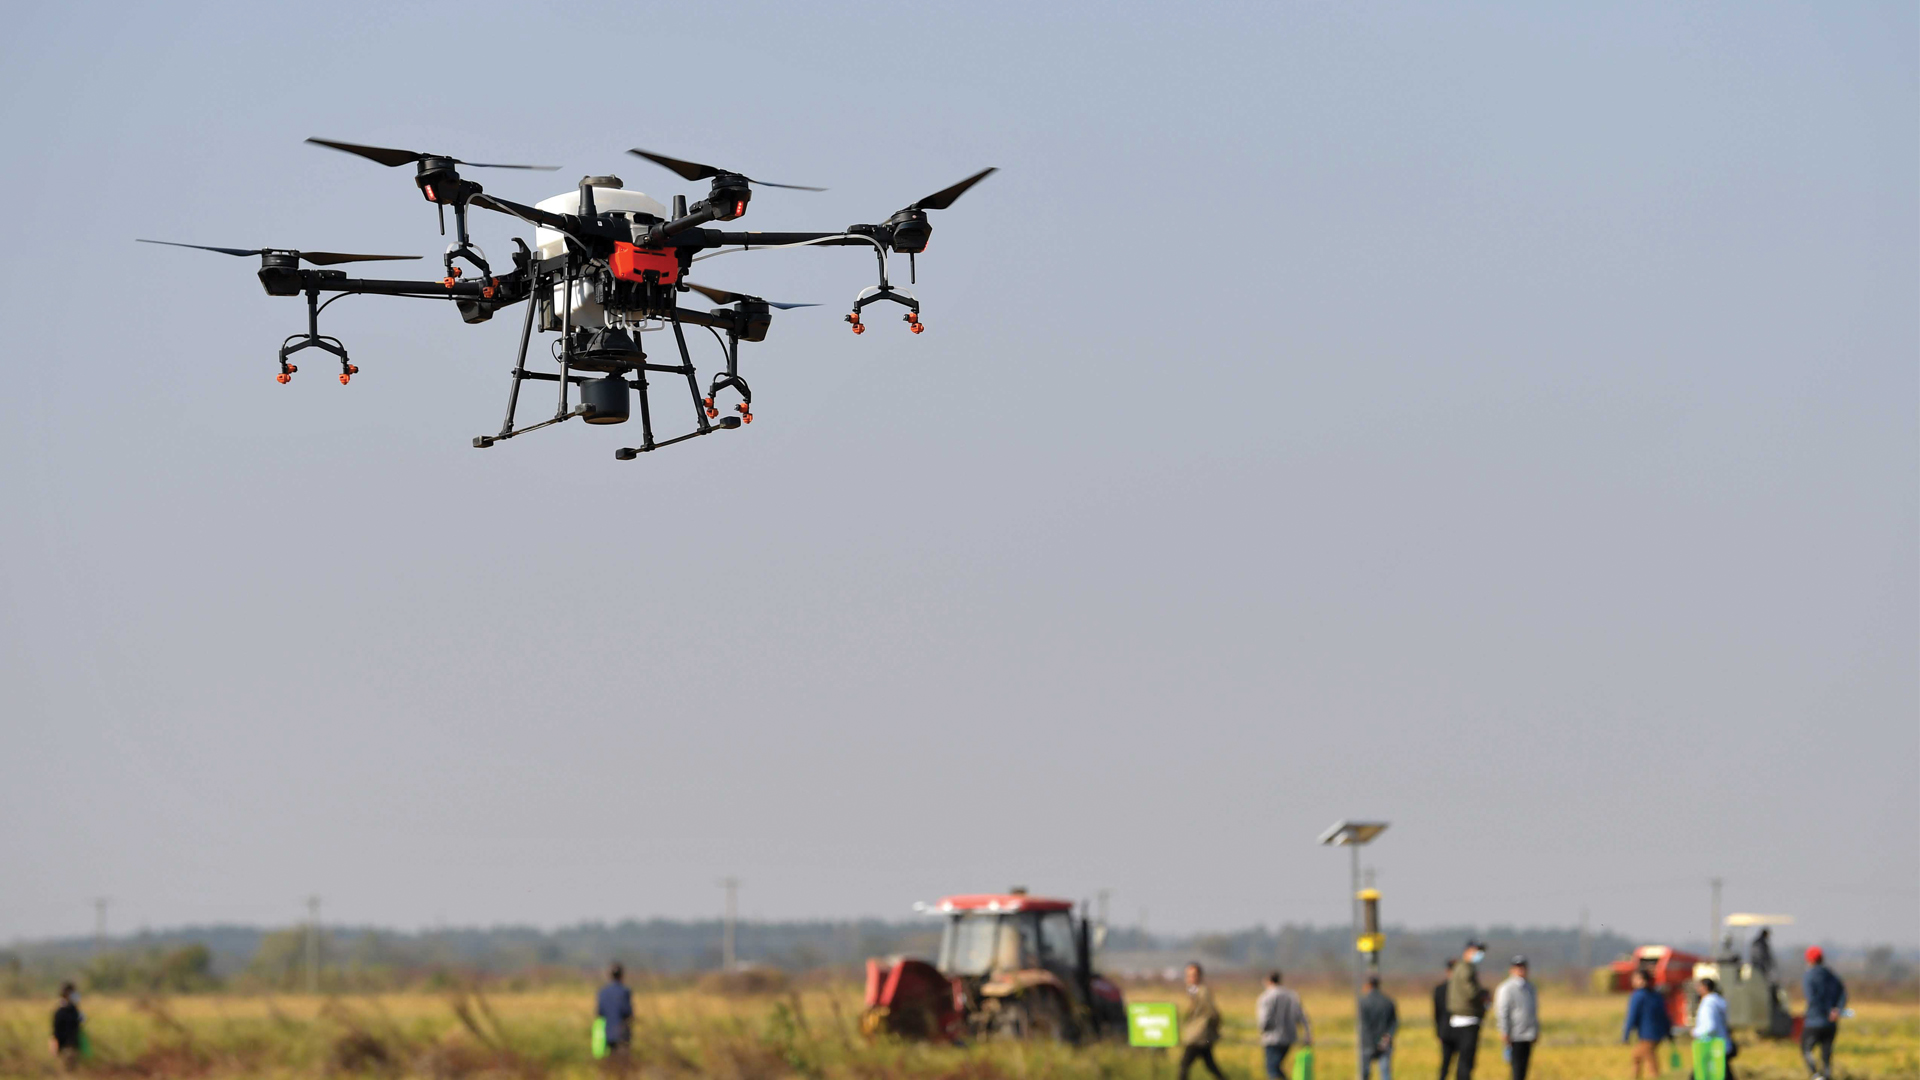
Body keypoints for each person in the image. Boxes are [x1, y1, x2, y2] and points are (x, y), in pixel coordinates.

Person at [1800, 947, 1847, 1080]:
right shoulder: (1831, 975)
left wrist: (1824, 1010)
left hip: (1814, 1021)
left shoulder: (1809, 976)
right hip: (1831, 1023)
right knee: (1826, 1052)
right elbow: (1843, 992)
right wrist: (1837, 1009)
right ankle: (1827, 1075)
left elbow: (1812, 998)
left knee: (1806, 1049)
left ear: (1809, 960)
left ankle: (1816, 1075)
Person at [1446, 940, 1490, 1080]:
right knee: (1466, 1062)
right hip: (1467, 1020)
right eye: (1477, 951)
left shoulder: (1461, 967)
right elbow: (1471, 993)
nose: (1479, 955)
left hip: (1460, 1020)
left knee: (1462, 1061)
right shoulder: (1466, 969)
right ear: (1468, 951)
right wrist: (1484, 995)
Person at [1255, 969, 1311, 1080]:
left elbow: (1264, 1019)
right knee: (1276, 1066)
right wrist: (1307, 1033)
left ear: (1268, 981)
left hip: (1272, 1038)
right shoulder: (1292, 996)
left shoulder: (1266, 997)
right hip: (1289, 1037)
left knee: (1272, 1068)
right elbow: (1302, 1016)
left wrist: (1262, 1031)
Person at [1493, 957, 1537, 1080]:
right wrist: (1504, 1031)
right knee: (1516, 1069)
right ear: (1511, 970)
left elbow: (1533, 1010)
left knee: (1524, 1069)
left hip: (1528, 1033)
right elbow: (1502, 1011)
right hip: (1514, 1034)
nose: (1521, 971)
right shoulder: (1506, 988)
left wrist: (1535, 1030)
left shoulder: (1530, 988)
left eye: (1523, 967)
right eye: (1518, 968)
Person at [1622, 969, 1671, 1079]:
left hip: (1647, 1035)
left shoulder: (1638, 995)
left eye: (1635, 979)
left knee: (1650, 1063)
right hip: (1658, 1034)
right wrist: (1668, 1032)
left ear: (1643, 981)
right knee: (1637, 1056)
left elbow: (1632, 1016)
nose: (1633, 981)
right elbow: (1665, 1015)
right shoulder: (1657, 995)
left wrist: (1626, 1035)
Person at [1180, 962, 1226, 1080]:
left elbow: (1213, 1013)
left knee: (1184, 1065)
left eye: (1193, 975)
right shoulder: (1192, 991)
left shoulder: (1202, 991)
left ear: (1199, 976)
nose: (1190, 978)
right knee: (1210, 1065)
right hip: (1200, 1035)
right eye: (1188, 975)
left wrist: (1211, 1029)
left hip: (1199, 1035)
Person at [1693, 977, 1734, 1080]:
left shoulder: (1708, 1004)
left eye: (1699, 986)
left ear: (1705, 987)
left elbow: (1710, 1026)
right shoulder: (1719, 1001)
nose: (1697, 989)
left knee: (1700, 1075)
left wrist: (1696, 1032)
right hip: (1723, 1044)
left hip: (1711, 1046)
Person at [1359, 975, 1398, 1080]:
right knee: (1385, 1072)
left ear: (1368, 985)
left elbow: (1364, 1024)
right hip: (1384, 1042)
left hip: (1368, 1043)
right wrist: (1387, 1036)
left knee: (1365, 1073)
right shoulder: (1388, 1001)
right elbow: (1394, 1022)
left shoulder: (1363, 1002)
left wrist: (1370, 1041)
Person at [596, 963, 634, 1058]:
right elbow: (627, 1012)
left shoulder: (603, 992)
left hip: (608, 1032)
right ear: (622, 975)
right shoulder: (625, 992)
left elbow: (600, 1012)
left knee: (610, 1058)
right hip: (622, 1033)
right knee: (622, 1060)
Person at [1434, 959, 1460, 1080]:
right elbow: (1437, 1013)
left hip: (1451, 1031)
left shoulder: (1440, 988)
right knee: (1447, 1063)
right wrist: (1438, 1032)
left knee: (1456, 1064)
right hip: (1448, 1031)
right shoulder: (1440, 989)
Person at [49, 983, 82, 1068]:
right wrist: (54, 1046)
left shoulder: (74, 1010)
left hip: (74, 1045)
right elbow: (55, 1032)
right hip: (65, 1048)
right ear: (67, 994)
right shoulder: (61, 1012)